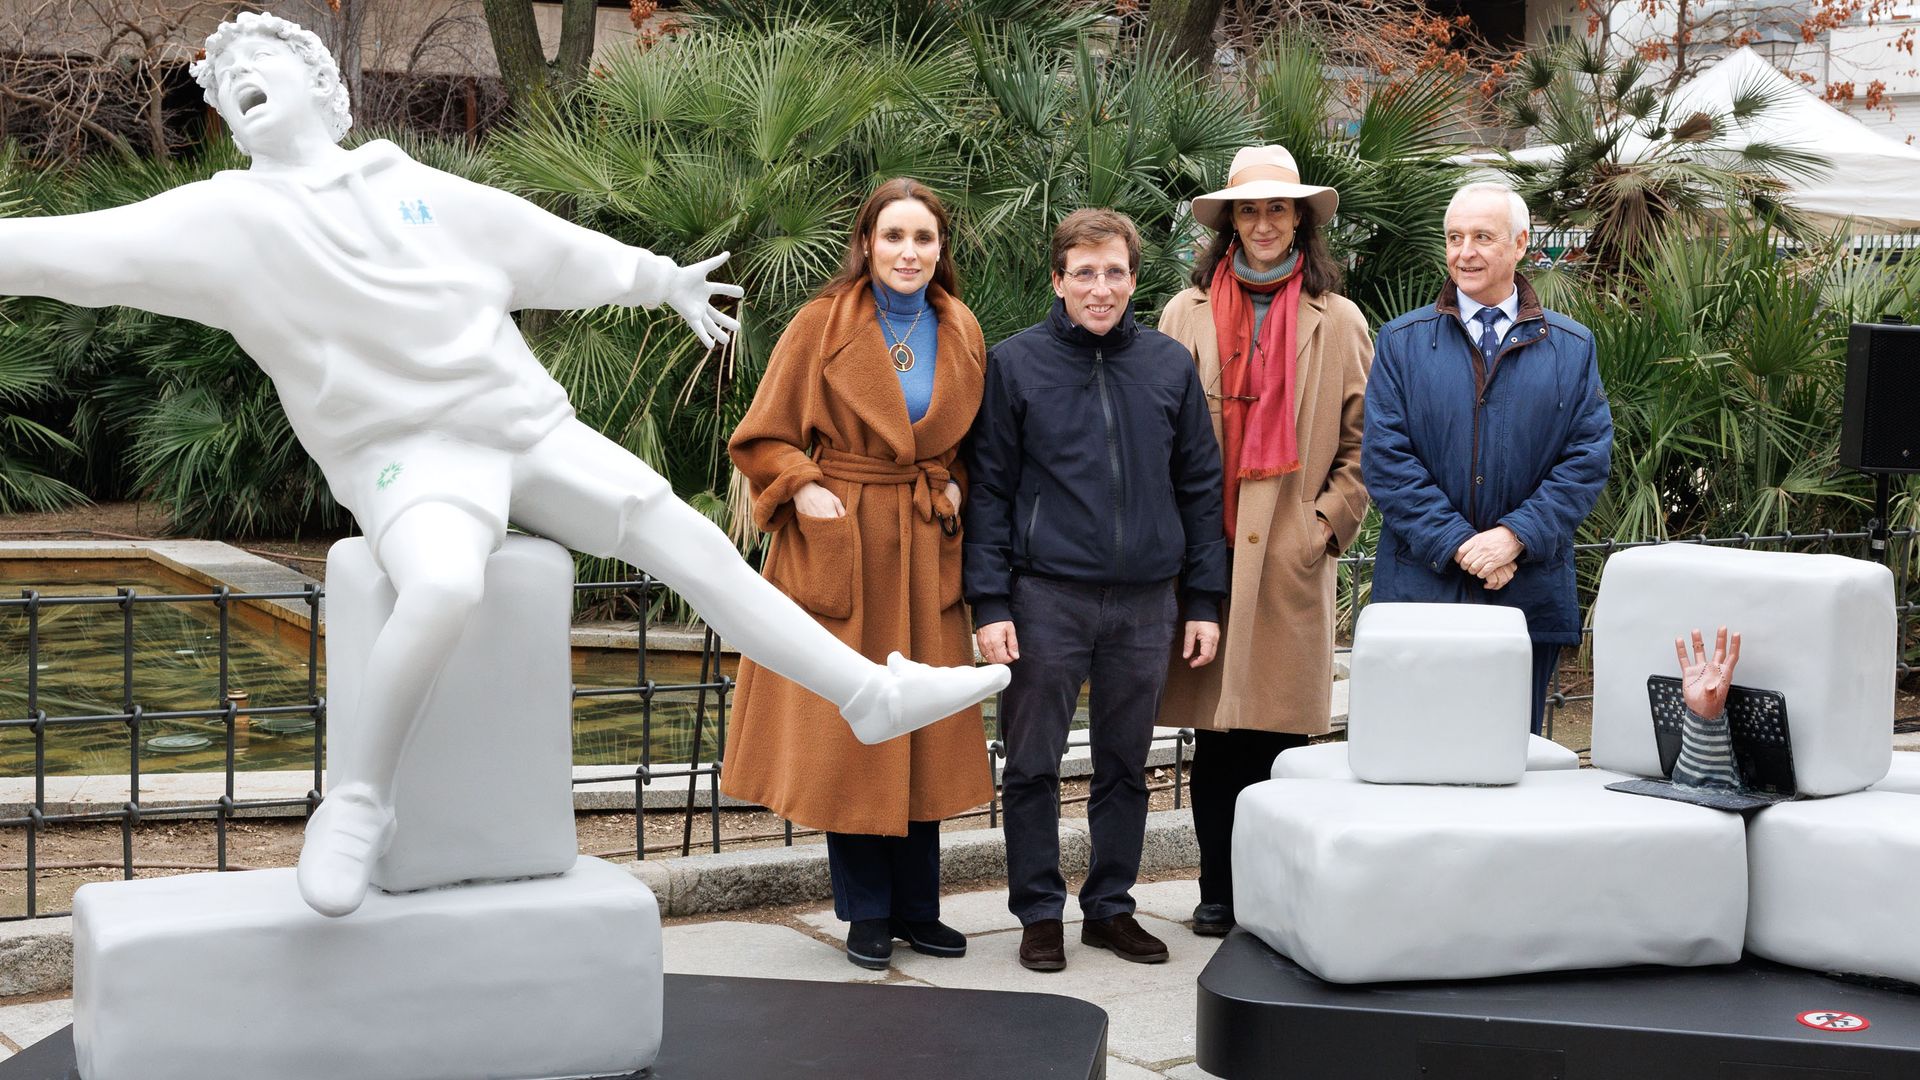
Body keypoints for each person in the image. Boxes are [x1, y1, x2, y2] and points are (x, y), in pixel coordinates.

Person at [0, 13, 1007, 919]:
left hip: (526, 425)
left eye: (264, 58)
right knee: (441, 585)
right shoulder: (215, 224)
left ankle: (866, 694)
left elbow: (541, 246)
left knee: (685, 536)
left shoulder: (408, 185)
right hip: (403, 455)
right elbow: (58, 253)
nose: (240, 77)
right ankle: (357, 801)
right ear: (225, 118)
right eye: (225, 81)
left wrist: (655, 279)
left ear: (323, 86)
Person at [725, 179, 993, 971]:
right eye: (894, 236)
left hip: (923, 544)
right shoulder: (822, 323)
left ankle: (918, 909)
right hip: (842, 539)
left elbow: (972, 447)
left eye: (924, 238)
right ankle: (867, 912)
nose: (909, 252)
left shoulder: (962, 327)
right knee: (853, 726)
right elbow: (762, 436)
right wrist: (803, 487)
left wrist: (955, 485)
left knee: (924, 724)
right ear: (867, 243)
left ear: (941, 249)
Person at [964, 208, 1228, 972]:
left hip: (1147, 600)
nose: (1100, 288)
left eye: (1114, 272)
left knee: (1125, 765)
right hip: (1046, 596)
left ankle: (1110, 907)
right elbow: (990, 490)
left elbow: (1200, 486)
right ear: (1058, 280)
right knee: (1032, 764)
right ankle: (1039, 914)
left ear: (1134, 279)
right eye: (1084, 273)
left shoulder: (1169, 366)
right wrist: (991, 603)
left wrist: (1203, 599)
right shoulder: (1016, 364)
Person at [1155, 145, 1372, 938]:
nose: (1264, 223)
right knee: (1214, 738)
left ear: (1301, 220)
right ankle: (1218, 892)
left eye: (1278, 208)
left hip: (1286, 556)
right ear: (1231, 222)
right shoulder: (1183, 313)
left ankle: (1272, 897)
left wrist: (1322, 526)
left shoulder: (1338, 319)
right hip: (1205, 551)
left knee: (1277, 740)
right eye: (1250, 209)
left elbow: (1366, 444)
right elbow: (1157, 433)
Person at [1363, 182, 1612, 735]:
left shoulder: (1571, 348)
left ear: (1520, 243)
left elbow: (1586, 460)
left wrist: (1514, 537)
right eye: (1454, 237)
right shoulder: (1402, 342)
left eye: (1482, 237)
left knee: (1508, 757)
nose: (1465, 252)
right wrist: (1459, 543)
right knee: (1416, 753)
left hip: (1524, 593)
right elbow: (1386, 459)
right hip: (1422, 594)